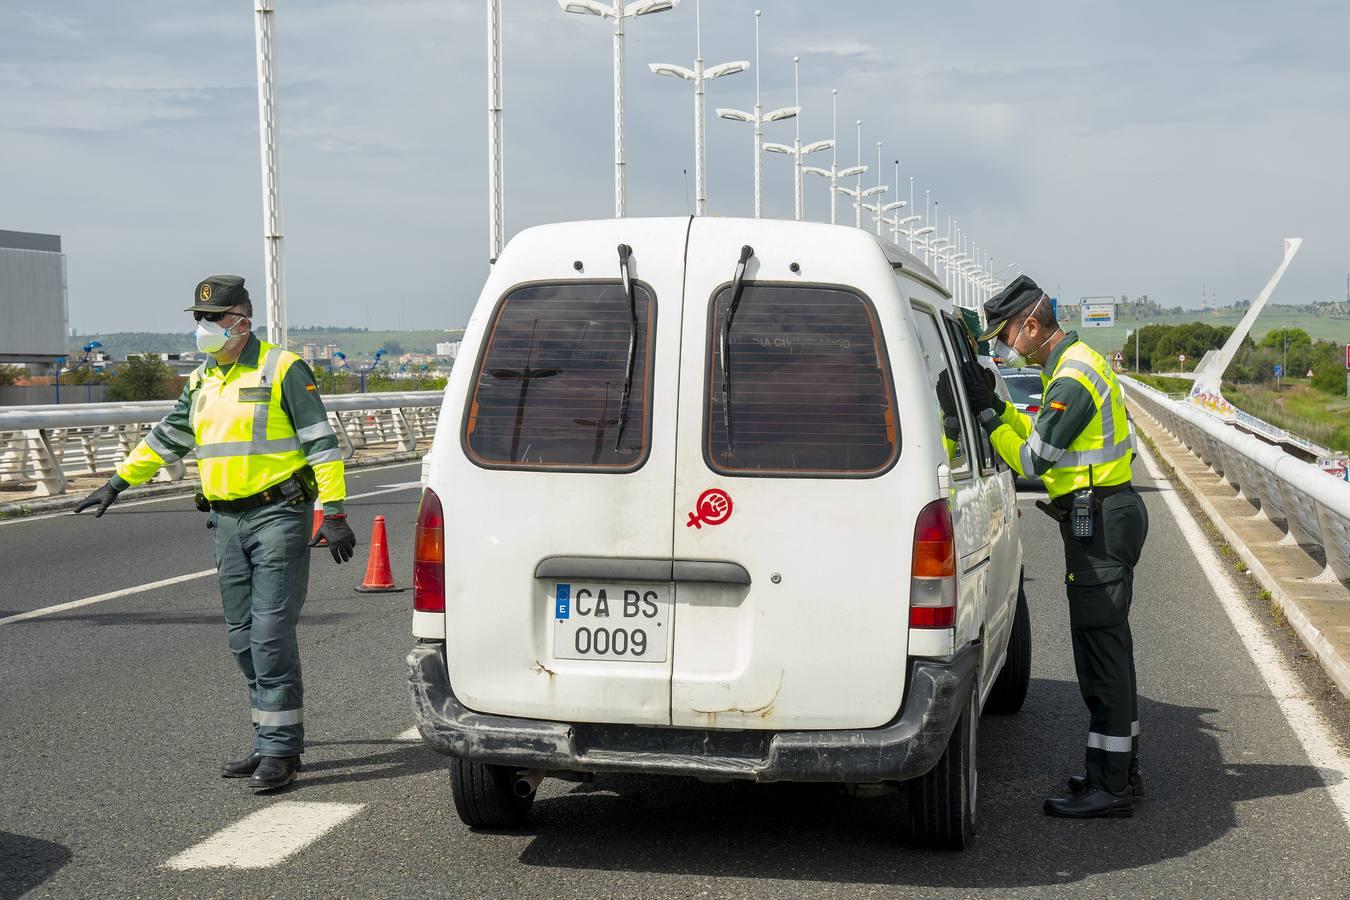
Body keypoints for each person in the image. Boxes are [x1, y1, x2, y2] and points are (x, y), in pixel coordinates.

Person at [74, 275, 357, 792]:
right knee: (242, 639)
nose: (202, 328)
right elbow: (169, 436)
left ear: (241, 322)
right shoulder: (203, 378)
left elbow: (321, 444)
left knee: (270, 636)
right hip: (225, 522)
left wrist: (333, 512)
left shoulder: (283, 369)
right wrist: (117, 482)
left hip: (278, 514)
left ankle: (281, 752)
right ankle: (265, 737)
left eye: (212, 319)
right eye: (198, 319)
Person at [960, 275, 1148, 819]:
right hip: (1104, 514)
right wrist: (998, 403)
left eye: (1007, 335)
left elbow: (1032, 461)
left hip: (1102, 520)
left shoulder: (1072, 378)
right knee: (1110, 651)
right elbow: (1041, 433)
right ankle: (1118, 772)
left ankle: (1110, 786)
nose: (1004, 346)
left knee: (1101, 655)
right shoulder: (1072, 366)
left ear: (1032, 325)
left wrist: (989, 414)